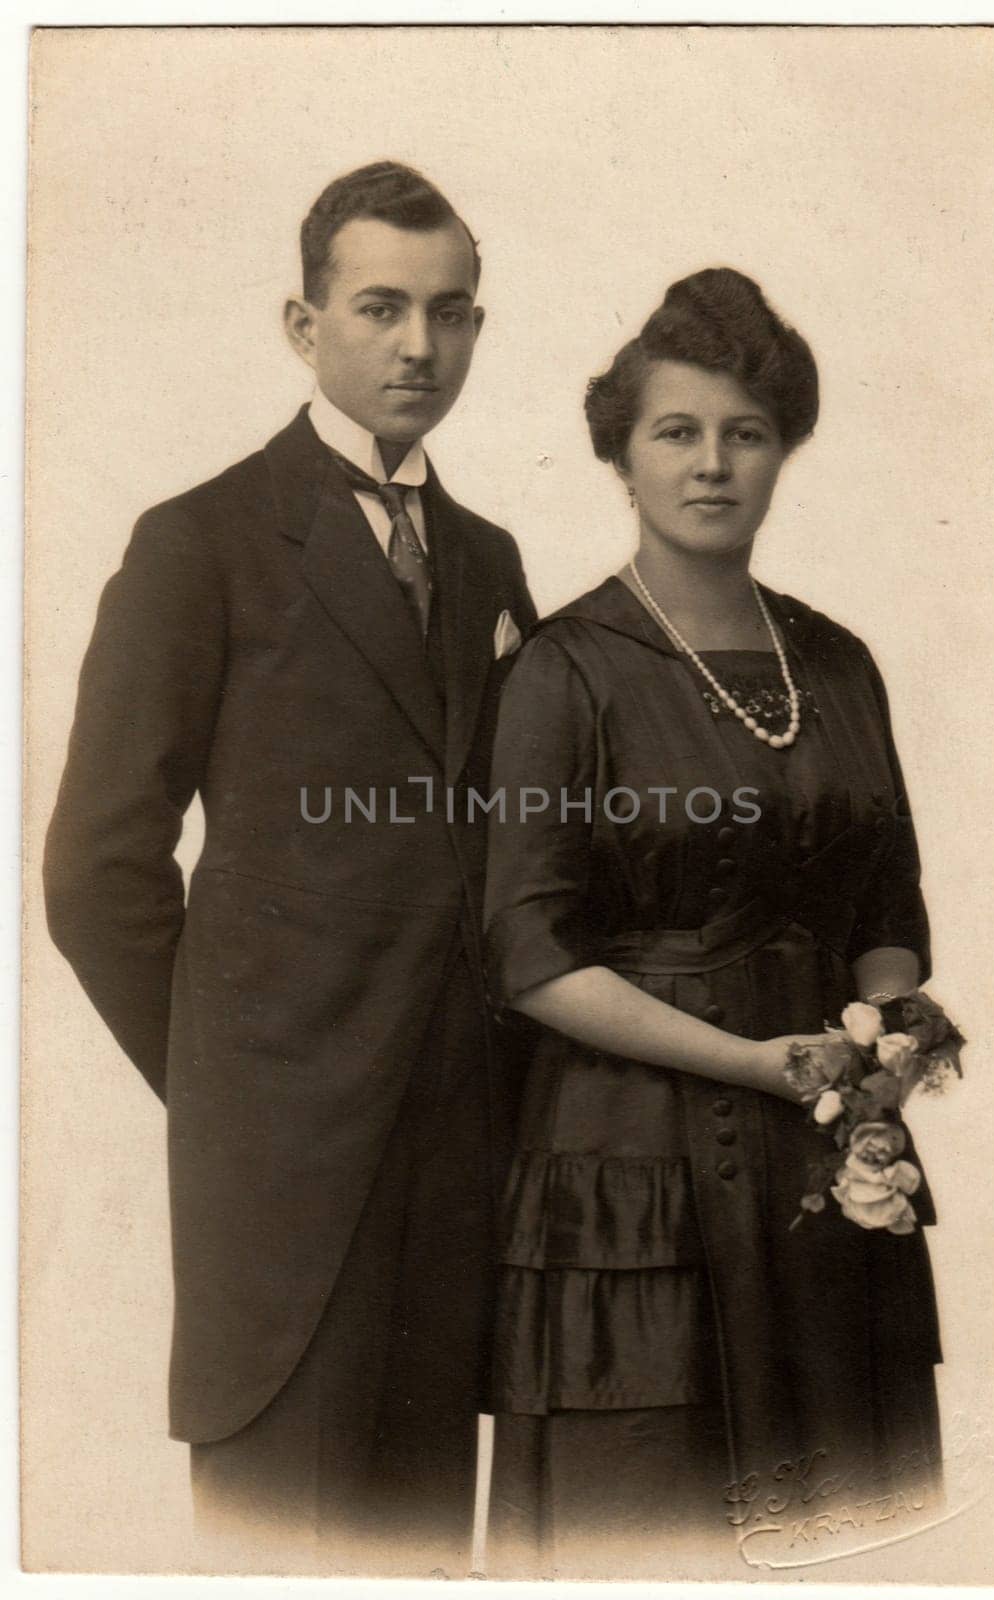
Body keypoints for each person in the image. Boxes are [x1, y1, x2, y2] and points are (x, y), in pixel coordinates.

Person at [43, 161, 535, 1572]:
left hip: (454, 1164)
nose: (415, 347)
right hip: (284, 1182)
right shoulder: (197, 543)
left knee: (427, 1552)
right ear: (300, 323)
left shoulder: (494, 562)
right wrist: (233, 1083)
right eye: (378, 307)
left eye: (448, 314)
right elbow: (97, 873)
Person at [481, 267, 943, 1576]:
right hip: (628, 1183)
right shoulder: (562, 669)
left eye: (743, 433)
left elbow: (886, 912)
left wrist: (883, 1045)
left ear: (783, 446)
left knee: (857, 1534)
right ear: (618, 455)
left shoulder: (837, 662)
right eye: (673, 433)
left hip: (822, 1163)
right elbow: (525, 957)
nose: (710, 465)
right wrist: (752, 1062)